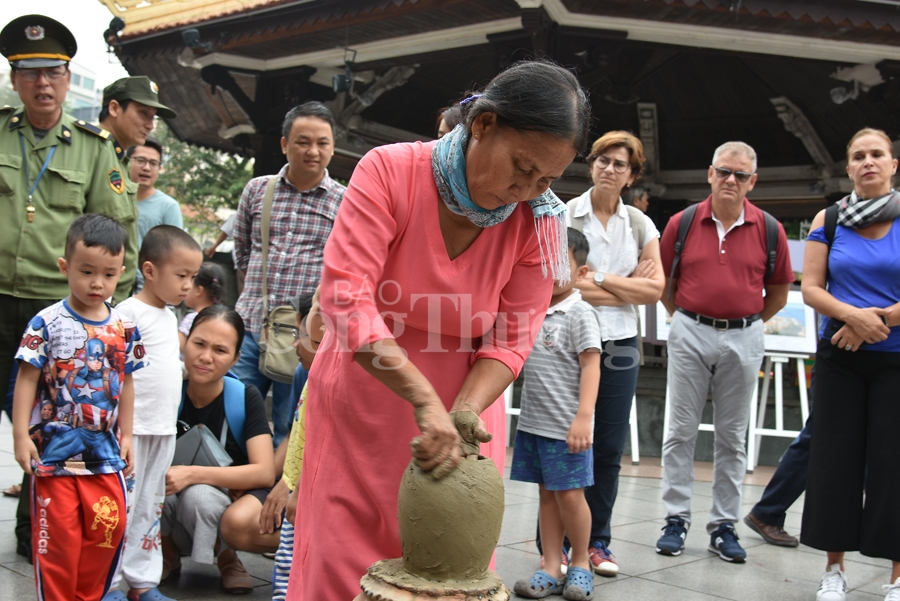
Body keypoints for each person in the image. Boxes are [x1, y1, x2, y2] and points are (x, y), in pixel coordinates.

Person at [286, 59, 591, 601]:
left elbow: (512, 336)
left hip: (466, 412)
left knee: (449, 572)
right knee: (341, 569)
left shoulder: (539, 220)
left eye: (545, 179)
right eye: (521, 167)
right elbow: (344, 296)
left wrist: (463, 410)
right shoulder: (390, 170)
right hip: (366, 396)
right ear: (483, 125)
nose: (526, 190)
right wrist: (421, 399)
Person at [0, 13, 139, 563]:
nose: (42, 84)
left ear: (66, 77)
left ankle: (33, 535)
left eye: (53, 72)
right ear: (14, 79)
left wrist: (96, 314)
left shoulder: (94, 148)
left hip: (52, 310)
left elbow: (116, 236)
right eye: (29, 72)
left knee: (45, 424)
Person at [657, 141, 793, 563]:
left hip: (745, 335)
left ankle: (724, 526)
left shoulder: (770, 228)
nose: (730, 180)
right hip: (691, 330)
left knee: (733, 437)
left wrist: (744, 319)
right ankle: (675, 519)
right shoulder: (681, 223)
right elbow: (664, 282)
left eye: (740, 175)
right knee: (680, 431)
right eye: (723, 172)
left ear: (752, 182)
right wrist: (687, 317)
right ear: (710, 174)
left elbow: (780, 292)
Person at [12, 213, 144, 600]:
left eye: (108, 273)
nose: (97, 283)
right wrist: (21, 435)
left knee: (108, 530)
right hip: (54, 454)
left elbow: (129, 381)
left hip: (104, 454)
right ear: (65, 267)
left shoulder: (124, 328)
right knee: (59, 542)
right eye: (86, 271)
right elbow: (26, 378)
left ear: (121, 271)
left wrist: (128, 434)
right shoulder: (46, 322)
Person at [799, 127, 900, 601]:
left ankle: (897, 576)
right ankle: (834, 570)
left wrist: (875, 319)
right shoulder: (832, 218)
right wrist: (850, 316)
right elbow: (812, 287)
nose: (868, 162)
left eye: (877, 154)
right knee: (834, 460)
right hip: (840, 357)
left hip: (895, 357)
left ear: (893, 164)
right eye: (858, 155)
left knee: (893, 462)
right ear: (848, 167)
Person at [559, 130, 664, 577]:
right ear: (592, 165)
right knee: (567, 440)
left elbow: (655, 289)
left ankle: (598, 541)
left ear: (632, 175)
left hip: (621, 345)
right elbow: (564, 283)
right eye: (602, 160)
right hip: (570, 340)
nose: (609, 169)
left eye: (620, 164)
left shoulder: (640, 225)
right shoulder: (567, 214)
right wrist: (623, 285)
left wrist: (597, 279)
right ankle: (562, 544)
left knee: (606, 447)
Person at [232, 101, 345, 446]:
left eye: (322, 143)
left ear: (332, 147)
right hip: (251, 328)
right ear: (284, 144)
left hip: (302, 339)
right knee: (236, 419)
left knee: (290, 428)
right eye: (302, 141)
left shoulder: (345, 201)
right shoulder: (257, 190)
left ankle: (277, 500)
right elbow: (242, 254)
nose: (313, 151)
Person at [106, 226, 203, 601]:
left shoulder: (169, 317)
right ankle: (110, 582)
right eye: (181, 276)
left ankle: (143, 580)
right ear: (149, 270)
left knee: (150, 506)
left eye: (192, 278)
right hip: (131, 431)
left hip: (161, 430)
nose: (187, 286)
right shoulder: (127, 313)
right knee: (119, 507)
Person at [511, 228, 601, 600]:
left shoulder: (580, 313)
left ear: (582, 272)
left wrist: (584, 417)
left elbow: (593, 366)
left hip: (567, 429)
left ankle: (580, 563)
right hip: (534, 424)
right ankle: (551, 565)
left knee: (570, 497)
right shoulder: (533, 310)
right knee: (546, 496)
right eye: (544, 260)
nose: (550, 269)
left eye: (560, 262)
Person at [162, 305, 277, 594]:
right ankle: (167, 555)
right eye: (199, 343)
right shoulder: (167, 388)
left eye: (220, 350)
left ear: (236, 358)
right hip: (170, 492)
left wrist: (191, 474)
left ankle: (227, 559)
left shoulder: (244, 397)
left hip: (222, 499)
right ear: (185, 342)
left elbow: (264, 472)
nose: (205, 357)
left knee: (199, 495)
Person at [270, 291, 318, 600]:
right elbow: (295, 434)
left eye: (299, 334)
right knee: (287, 565)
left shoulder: (336, 382)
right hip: (297, 489)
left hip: (311, 492)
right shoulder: (304, 374)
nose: (294, 344)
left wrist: (298, 489)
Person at [99, 76, 177, 161]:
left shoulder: (119, 158)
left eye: (152, 117)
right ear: (114, 108)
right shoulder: (87, 145)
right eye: (143, 113)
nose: (150, 126)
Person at [129, 137, 184, 248]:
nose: (146, 168)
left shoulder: (169, 207)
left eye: (153, 163)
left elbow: (174, 249)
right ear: (127, 162)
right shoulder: (114, 197)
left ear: (159, 169)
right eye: (140, 161)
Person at [178, 262, 227, 354]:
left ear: (199, 290)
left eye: (190, 281)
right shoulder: (224, 319)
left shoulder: (192, 319)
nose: (185, 287)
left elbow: (176, 348)